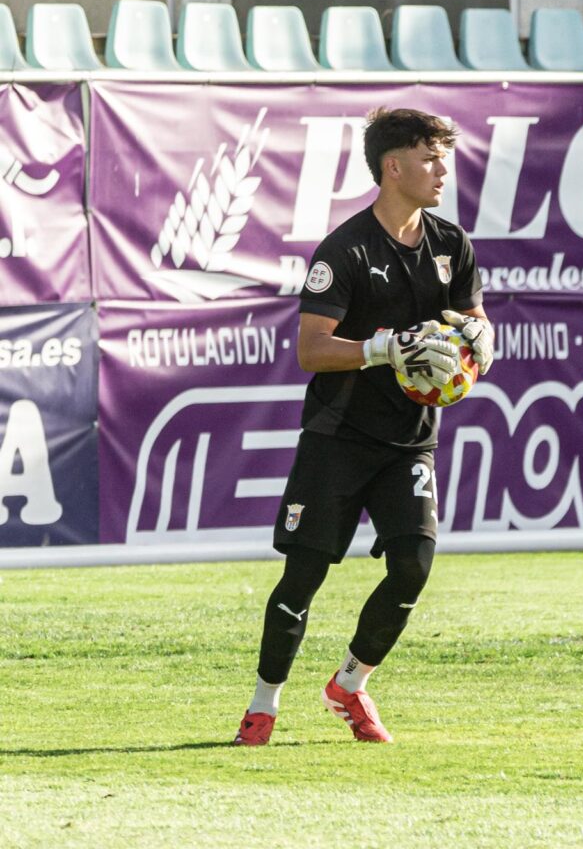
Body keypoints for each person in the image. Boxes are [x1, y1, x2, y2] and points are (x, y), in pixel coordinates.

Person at [233, 107, 493, 746]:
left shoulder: (451, 244)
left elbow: (473, 323)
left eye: (443, 156)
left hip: (410, 439)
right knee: (304, 576)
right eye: (429, 157)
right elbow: (312, 350)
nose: (442, 169)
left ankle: (349, 685)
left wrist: (481, 342)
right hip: (338, 438)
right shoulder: (344, 249)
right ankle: (262, 707)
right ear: (392, 166)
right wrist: (382, 349)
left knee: (413, 566)